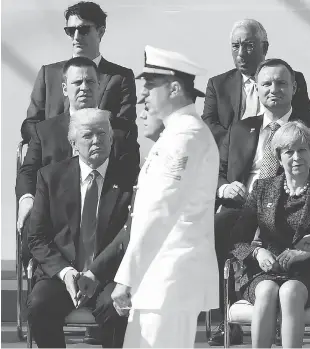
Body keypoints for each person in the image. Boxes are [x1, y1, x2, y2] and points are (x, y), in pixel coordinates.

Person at [208, 58, 310, 346]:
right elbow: (219, 170)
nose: (273, 89)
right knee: (219, 226)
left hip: (290, 206)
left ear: (294, 88)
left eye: (281, 83)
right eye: (266, 83)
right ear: (257, 88)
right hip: (243, 204)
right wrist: (226, 187)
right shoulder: (240, 128)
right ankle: (226, 319)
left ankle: (279, 321)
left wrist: (285, 184)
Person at [111, 46, 219, 348]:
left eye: (149, 86)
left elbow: (162, 209)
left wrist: (127, 276)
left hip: (169, 277)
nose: (143, 95)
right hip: (158, 278)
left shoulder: (186, 136)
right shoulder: (176, 134)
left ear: (173, 88)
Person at [229, 121, 310, 348]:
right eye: (289, 151)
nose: (297, 157)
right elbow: (236, 240)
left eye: (302, 150)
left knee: (290, 291)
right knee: (267, 290)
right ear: (279, 158)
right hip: (265, 271)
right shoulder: (262, 188)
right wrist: (258, 252)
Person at [16, 57, 139, 268]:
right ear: (65, 89)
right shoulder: (45, 131)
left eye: (90, 82)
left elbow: (130, 175)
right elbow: (28, 170)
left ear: (100, 87)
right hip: (54, 224)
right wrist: (26, 198)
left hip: (104, 226)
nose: (84, 88)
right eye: (77, 83)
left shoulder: (120, 131)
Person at [27, 109, 133, 348]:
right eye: (88, 135)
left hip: (109, 276)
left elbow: (130, 234)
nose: (96, 140)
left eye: (102, 134)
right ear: (73, 143)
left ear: (111, 138)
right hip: (64, 274)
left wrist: (95, 273)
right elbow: (36, 238)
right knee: (38, 304)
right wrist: (66, 273)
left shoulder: (130, 179)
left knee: (116, 307)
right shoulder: (50, 177)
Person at [21, 1, 138, 153]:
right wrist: (56, 143)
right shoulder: (48, 74)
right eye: (70, 30)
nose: (76, 37)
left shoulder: (120, 77)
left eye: (83, 30)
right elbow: (30, 124)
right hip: (52, 163)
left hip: (100, 162)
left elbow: (125, 127)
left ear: (101, 32)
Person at [202, 19, 310, 147]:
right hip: (234, 157)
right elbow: (208, 124)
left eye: (249, 45)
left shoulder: (290, 79)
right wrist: (237, 145)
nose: (241, 54)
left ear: (264, 47)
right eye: (235, 46)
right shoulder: (218, 84)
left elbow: (306, 123)